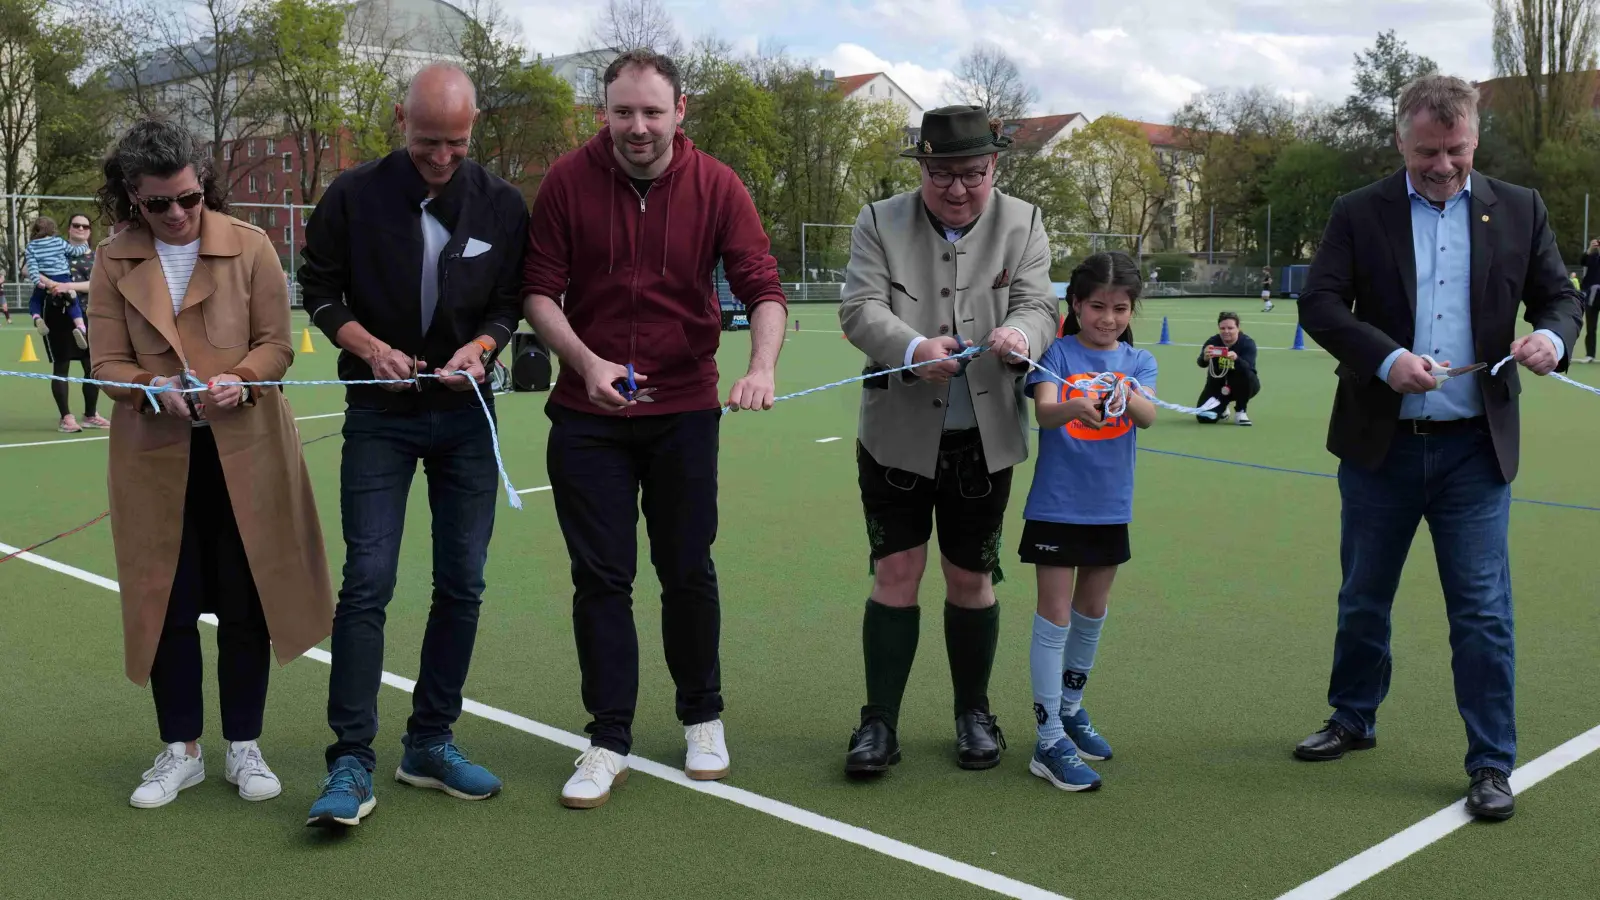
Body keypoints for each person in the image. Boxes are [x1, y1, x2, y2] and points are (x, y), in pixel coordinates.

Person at [1295, 75, 1582, 821]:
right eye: (1427, 151)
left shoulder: (1519, 208)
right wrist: (1387, 361)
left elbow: (1561, 296)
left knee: (1483, 611)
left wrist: (1550, 337)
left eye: (1454, 150)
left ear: (1474, 138)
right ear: (1401, 141)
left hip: (1474, 452)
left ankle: (1491, 761)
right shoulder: (1358, 212)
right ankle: (1352, 716)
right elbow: (1320, 304)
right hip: (1378, 444)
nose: (1443, 165)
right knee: (1364, 598)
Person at [522, 48, 788, 810]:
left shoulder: (717, 185)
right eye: (622, 112)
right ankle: (607, 739)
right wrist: (585, 361)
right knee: (601, 579)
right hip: (587, 416)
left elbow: (762, 288)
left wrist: (761, 365)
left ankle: (702, 715)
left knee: (686, 568)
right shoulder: (569, 181)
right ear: (602, 112)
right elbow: (538, 292)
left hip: (683, 413)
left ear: (681, 111)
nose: (637, 127)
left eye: (651, 112)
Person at [299, 62, 527, 827]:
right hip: (379, 413)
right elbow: (320, 290)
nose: (441, 157)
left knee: (462, 583)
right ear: (401, 120)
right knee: (368, 579)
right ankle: (351, 762)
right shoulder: (353, 196)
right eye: (429, 141)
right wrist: (369, 348)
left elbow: (506, 303)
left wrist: (485, 351)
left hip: (468, 418)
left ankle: (430, 741)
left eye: (457, 145)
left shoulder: (498, 202)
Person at [86, 117, 335, 810]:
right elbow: (106, 361)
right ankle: (181, 751)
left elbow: (277, 348)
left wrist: (244, 377)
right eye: (157, 203)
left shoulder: (252, 247)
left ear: (205, 186)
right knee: (163, 601)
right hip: (154, 459)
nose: (176, 214)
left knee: (248, 600)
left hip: (247, 453)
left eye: (189, 198)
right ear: (131, 198)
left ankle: (244, 747)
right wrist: (147, 388)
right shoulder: (111, 260)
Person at [837, 105, 1057, 777]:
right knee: (895, 575)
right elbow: (859, 309)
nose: (958, 189)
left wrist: (1021, 336)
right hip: (896, 438)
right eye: (942, 174)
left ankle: (974, 714)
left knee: (971, 578)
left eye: (973, 174)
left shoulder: (1024, 222)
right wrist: (910, 347)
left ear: (994, 166)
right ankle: (879, 723)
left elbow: (1039, 305)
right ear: (922, 168)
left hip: (984, 440)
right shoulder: (879, 221)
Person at [1020, 252, 1155, 793]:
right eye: (1096, 306)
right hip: (1056, 505)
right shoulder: (1056, 354)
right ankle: (1048, 738)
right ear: (1074, 305)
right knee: (1054, 617)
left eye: (1120, 308)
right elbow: (1045, 412)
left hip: (1109, 506)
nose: (1108, 318)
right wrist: (1078, 405)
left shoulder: (1139, 359)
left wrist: (1124, 394)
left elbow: (1147, 414)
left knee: (1092, 611)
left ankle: (1072, 708)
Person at [37, 213, 110, 432]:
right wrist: (51, 283)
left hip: (90, 316)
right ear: (68, 228)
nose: (80, 228)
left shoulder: (98, 256)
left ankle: (90, 415)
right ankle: (66, 418)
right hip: (58, 316)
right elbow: (30, 271)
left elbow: (98, 284)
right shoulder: (54, 249)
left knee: (91, 367)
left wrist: (68, 286)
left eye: (85, 226)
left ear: (90, 231)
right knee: (61, 366)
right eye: (76, 225)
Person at [1195, 311, 1259, 425]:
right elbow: (1201, 363)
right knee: (1204, 418)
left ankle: (1241, 410)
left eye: (1230, 328)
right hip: (1217, 384)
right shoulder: (1212, 342)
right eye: (1222, 328)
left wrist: (1236, 359)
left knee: (1247, 375)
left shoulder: (1247, 343)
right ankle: (1222, 407)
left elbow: (1249, 369)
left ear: (1238, 328)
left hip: (1241, 384)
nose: (1226, 331)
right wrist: (1205, 358)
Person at [1581, 239, 1600, 363]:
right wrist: (1589, 250)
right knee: (1590, 326)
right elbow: (1583, 262)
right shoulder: (1593, 257)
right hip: (1592, 295)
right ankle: (1590, 354)